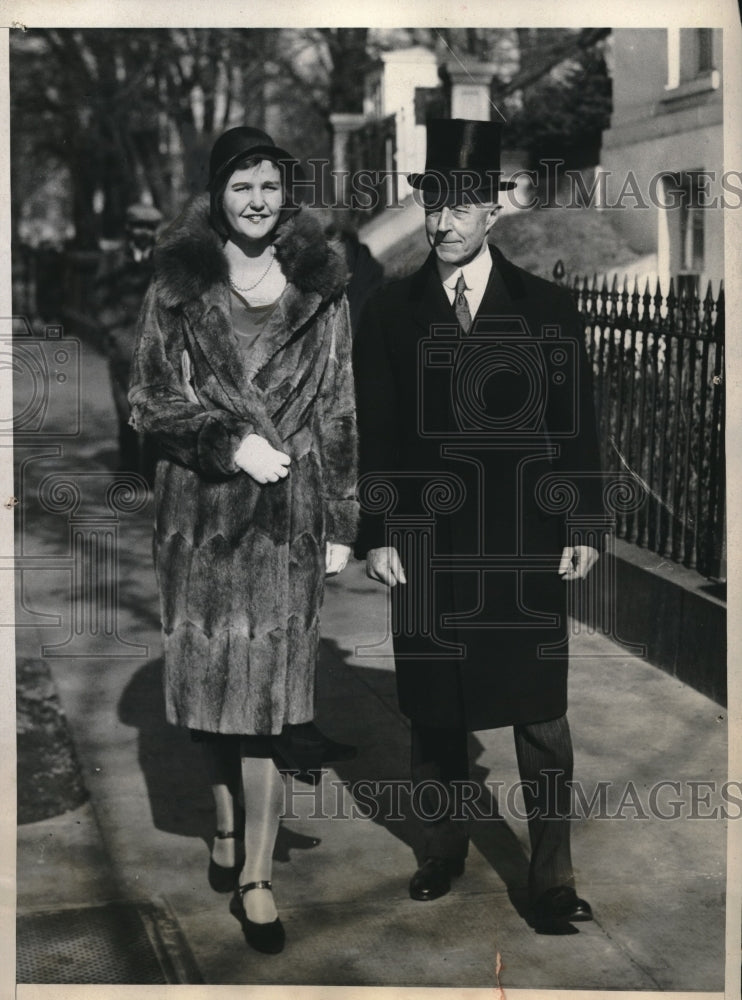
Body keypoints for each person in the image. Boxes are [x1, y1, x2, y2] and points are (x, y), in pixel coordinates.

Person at [353, 119, 604, 934]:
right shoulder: (391, 311)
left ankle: (553, 875)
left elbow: (575, 427)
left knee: (540, 715)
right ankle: (442, 846)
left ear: (493, 210)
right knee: (432, 708)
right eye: (432, 203)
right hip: (427, 542)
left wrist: (582, 520)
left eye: (461, 205)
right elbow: (380, 434)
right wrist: (383, 531)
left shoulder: (547, 308)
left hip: (519, 541)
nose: (443, 222)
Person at [128, 125, 358, 954]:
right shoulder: (177, 287)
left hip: (289, 521)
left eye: (269, 186)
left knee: (269, 707)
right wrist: (226, 443)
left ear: (284, 191)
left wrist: (341, 518)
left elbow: (338, 405)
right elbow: (147, 401)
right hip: (201, 519)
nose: (257, 202)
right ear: (218, 195)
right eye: (241, 187)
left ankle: (257, 875)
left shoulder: (322, 286)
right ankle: (223, 821)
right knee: (219, 703)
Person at [96, 203, 162, 474]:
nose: (144, 233)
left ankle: (152, 467)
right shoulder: (113, 260)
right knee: (124, 404)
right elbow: (100, 296)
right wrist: (112, 328)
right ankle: (128, 466)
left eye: (149, 228)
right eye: (138, 226)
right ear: (128, 228)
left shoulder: (163, 260)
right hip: (123, 340)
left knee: (157, 403)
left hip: (157, 340)